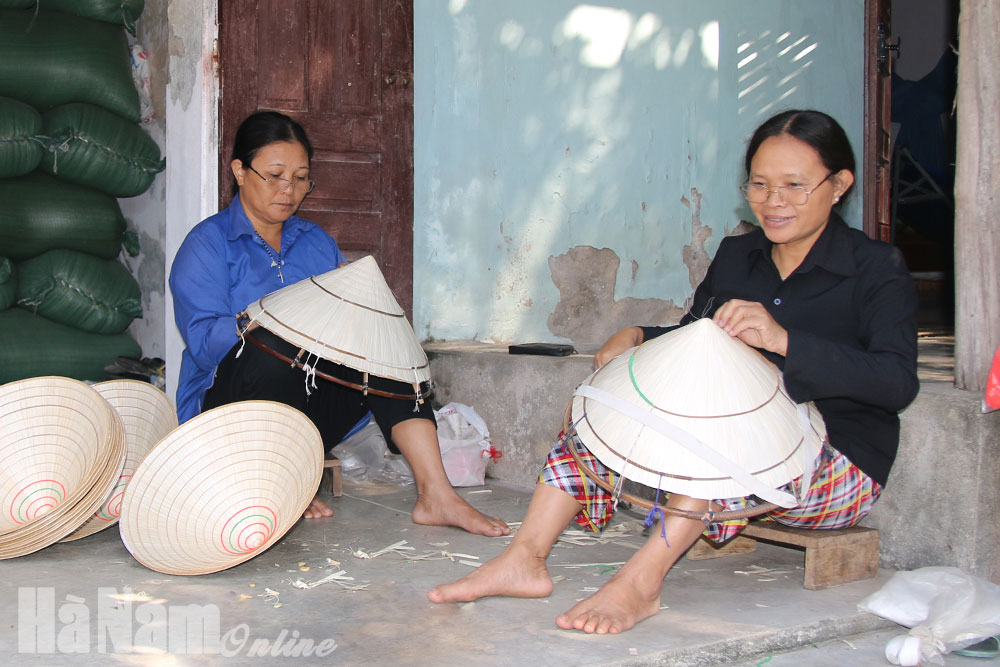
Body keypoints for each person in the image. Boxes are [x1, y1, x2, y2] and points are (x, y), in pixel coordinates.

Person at [428, 109, 919, 633]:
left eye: (795, 186)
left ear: (839, 184)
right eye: (760, 184)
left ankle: (640, 586)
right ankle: (523, 560)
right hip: (735, 459)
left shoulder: (875, 267)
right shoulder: (737, 256)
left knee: (724, 437)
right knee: (601, 406)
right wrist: (638, 336)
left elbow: (895, 382)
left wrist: (785, 342)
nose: (774, 202)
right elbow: (695, 337)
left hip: (832, 466)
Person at [169, 111, 509, 537]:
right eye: (274, 176)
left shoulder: (314, 241)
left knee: (387, 350)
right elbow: (203, 345)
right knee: (273, 347)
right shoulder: (206, 245)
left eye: (300, 178)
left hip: (307, 410)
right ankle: (277, 480)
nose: (288, 191)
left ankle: (436, 494)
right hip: (231, 413)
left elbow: (353, 321)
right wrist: (274, 314)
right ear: (239, 171)